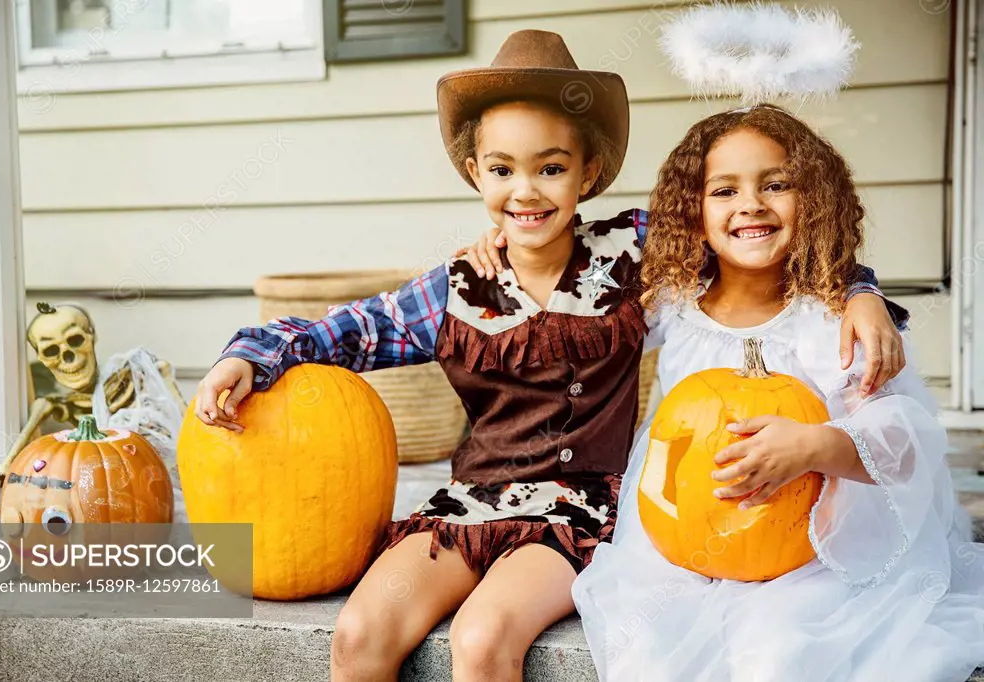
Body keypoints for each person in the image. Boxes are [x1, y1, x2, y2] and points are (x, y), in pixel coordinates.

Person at [194, 32, 905, 681]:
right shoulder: (454, 287)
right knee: (357, 635)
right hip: (467, 507)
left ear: (587, 172)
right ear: (476, 173)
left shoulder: (637, 252)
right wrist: (248, 356)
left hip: (580, 514)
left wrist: (858, 291)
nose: (525, 191)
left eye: (550, 168)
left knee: (482, 639)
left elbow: (757, 236)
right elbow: (341, 332)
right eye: (502, 169)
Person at [562, 104, 984, 682]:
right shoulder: (673, 304)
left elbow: (902, 449)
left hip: (814, 548)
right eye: (723, 190)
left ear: (812, 200)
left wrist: (813, 446)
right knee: (651, 652)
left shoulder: (831, 320)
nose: (750, 204)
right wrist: (507, 242)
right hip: (681, 546)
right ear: (694, 210)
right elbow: (570, 283)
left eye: (776, 184)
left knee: (779, 652)